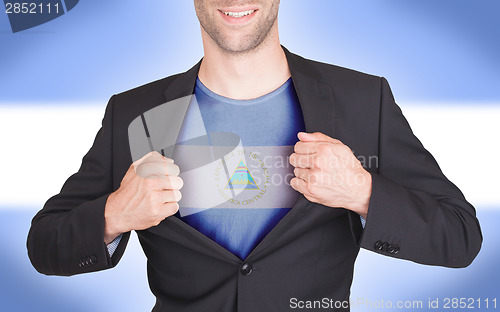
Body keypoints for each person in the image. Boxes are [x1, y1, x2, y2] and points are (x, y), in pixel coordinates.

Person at [27, 1, 482, 311]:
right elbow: (45, 245)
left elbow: (460, 236)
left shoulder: (362, 100)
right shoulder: (137, 113)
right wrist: (114, 214)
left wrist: (363, 192)